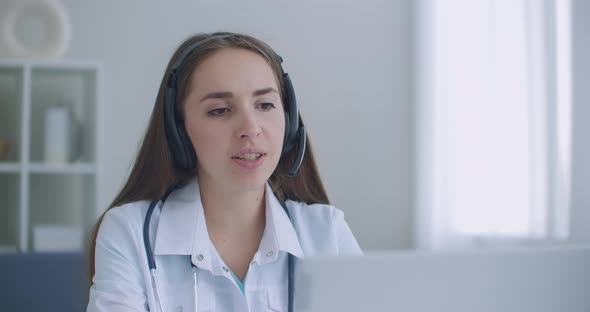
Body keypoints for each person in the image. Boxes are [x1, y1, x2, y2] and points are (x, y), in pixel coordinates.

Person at [87, 32, 362, 312]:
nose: (250, 128)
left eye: (265, 104)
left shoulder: (327, 233)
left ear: (289, 122)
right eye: (219, 110)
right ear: (178, 130)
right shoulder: (129, 231)